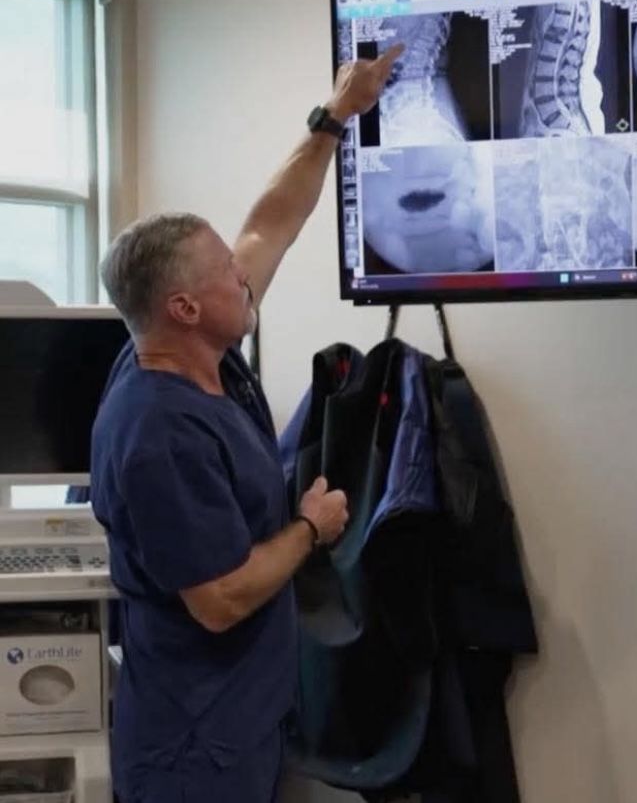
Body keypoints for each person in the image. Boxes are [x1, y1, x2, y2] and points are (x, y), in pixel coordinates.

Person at [91, 44, 404, 803]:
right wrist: (309, 526)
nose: (246, 273)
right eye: (226, 273)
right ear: (185, 308)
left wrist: (334, 117)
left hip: (243, 718)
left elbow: (272, 225)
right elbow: (220, 597)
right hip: (192, 745)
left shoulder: (200, 354)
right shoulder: (160, 429)